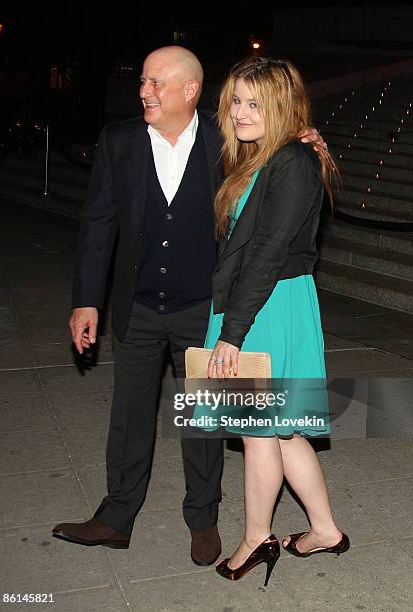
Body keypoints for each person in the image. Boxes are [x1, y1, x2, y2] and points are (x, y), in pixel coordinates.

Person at [51, 46, 327, 566]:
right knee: (129, 413)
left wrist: (305, 138)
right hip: (136, 306)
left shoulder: (227, 139)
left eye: (156, 82)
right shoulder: (119, 141)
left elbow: (281, 167)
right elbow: (98, 224)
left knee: (203, 420)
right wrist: (86, 300)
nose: (143, 91)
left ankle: (203, 519)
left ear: (190, 91)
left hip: (205, 308)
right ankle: (116, 516)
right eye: (144, 82)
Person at [201, 56, 350, 586]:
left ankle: (255, 538)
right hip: (265, 300)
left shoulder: (291, 161)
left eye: (254, 103)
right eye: (236, 101)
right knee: (282, 434)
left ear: (282, 105)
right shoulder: (266, 155)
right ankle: (325, 531)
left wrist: (231, 334)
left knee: (258, 433)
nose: (240, 112)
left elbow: (266, 251)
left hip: (264, 306)